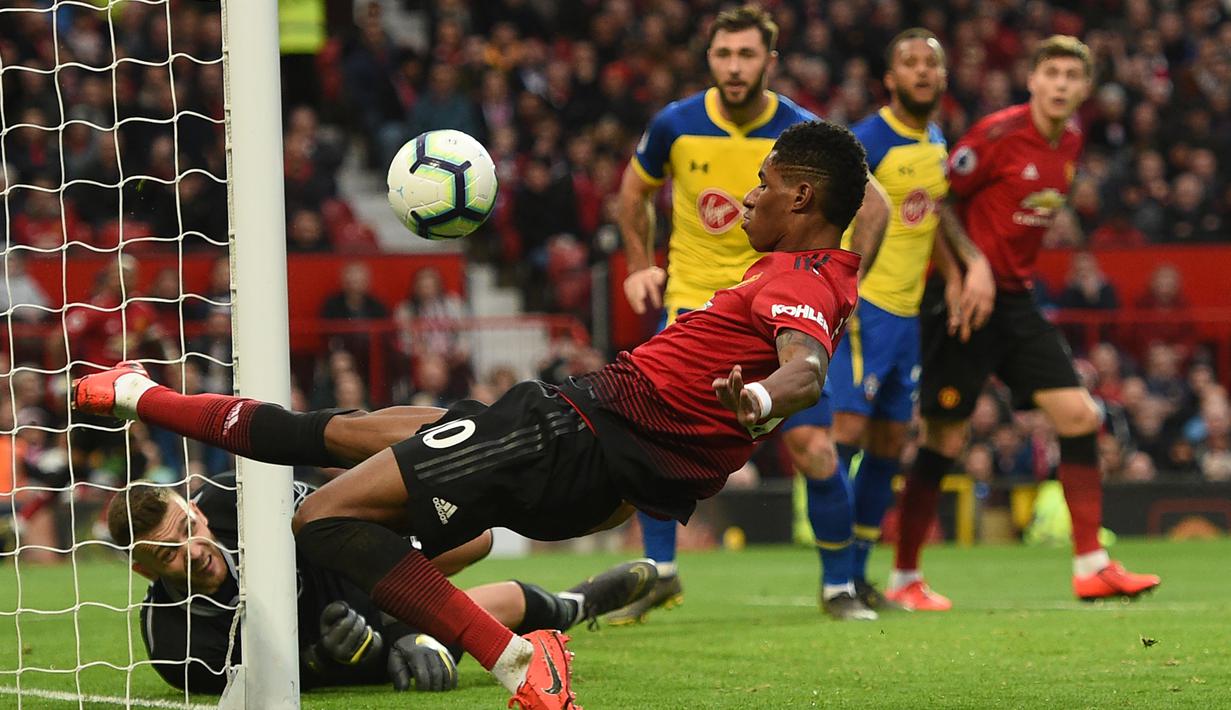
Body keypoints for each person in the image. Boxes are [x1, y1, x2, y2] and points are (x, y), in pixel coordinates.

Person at [73, 118, 869, 710]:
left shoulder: (798, 280)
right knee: (343, 432)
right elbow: (856, 221)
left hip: (570, 435)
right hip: (586, 453)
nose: (749, 193)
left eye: (765, 182)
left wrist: (762, 396)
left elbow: (806, 370)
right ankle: (144, 393)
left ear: (802, 196)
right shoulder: (826, 273)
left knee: (317, 518)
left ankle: (519, 665)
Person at [613, 4, 889, 624]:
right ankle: (660, 574)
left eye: (746, 55)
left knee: (815, 448)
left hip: (787, 302)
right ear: (708, 58)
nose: (734, 67)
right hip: (698, 306)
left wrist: (839, 287)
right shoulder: (674, 125)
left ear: (770, 60)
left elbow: (875, 205)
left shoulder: (800, 132)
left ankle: (838, 586)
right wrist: (639, 263)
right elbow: (632, 194)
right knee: (655, 444)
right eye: (723, 54)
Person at [888, 36, 1160, 611]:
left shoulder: (1073, 143)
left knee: (1080, 414)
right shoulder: (994, 135)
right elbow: (936, 203)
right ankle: (903, 576)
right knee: (945, 438)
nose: (1061, 84)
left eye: (1072, 76)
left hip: (1014, 303)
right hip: (961, 302)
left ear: (1084, 88)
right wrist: (969, 269)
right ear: (1032, 80)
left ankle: (1091, 566)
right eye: (1052, 73)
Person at [780, 28, 994, 621]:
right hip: (864, 311)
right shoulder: (868, 141)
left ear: (944, 77)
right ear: (890, 78)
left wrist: (956, 269)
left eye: (932, 63)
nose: (923, 71)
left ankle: (862, 571)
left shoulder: (933, 139)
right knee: (845, 432)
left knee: (891, 444)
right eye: (910, 63)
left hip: (908, 317)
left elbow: (933, 212)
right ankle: (837, 577)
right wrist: (833, 292)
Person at [108, 473, 658, 694]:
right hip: (325, 652)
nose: (195, 551)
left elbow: (351, 532)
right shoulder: (170, 645)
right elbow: (261, 690)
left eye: (188, 529)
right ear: (144, 571)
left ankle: (569, 597)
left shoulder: (238, 498)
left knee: (478, 539)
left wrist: (398, 624)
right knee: (475, 617)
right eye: (168, 554)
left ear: (197, 511)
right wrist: (325, 662)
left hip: (356, 573)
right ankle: (573, 603)